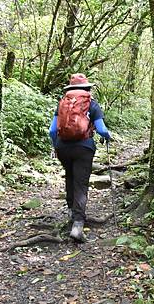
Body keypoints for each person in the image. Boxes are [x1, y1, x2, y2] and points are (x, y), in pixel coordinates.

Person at [48, 73, 111, 241]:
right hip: (84, 148)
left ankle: (71, 211)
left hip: (63, 147)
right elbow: (102, 129)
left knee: (70, 177)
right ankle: (77, 224)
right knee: (81, 184)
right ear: (87, 88)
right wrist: (107, 136)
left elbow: (52, 131)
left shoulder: (62, 104)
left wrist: (57, 145)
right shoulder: (91, 104)